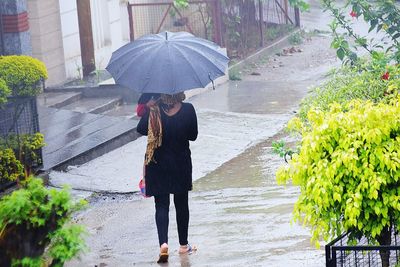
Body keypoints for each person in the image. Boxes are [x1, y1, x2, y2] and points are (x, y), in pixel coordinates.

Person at [136, 92, 198, 263]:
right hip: (181, 163)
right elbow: (193, 135)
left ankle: (163, 244)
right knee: (181, 204)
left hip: (157, 163)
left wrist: (149, 109)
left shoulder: (154, 110)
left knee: (161, 205)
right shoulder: (188, 109)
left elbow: (141, 129)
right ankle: (184, 246)